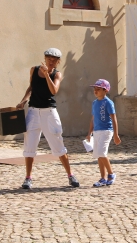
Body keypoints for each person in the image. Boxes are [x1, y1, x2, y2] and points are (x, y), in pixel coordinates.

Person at [16, 48, 80, 189]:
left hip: (49, 113)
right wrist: (23, 100)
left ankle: (70, 175)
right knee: (29, 146)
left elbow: (54, 91)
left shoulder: (57, 74)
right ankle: (28, 178)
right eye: (49, 59)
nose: (51, 62)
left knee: (58, 144)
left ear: (58, 62)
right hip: (33, 112)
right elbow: (31, 87)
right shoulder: (34, 70)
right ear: (44, 58)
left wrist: (46, 75)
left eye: (54, 60)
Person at [86, 79, 121, 187]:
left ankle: (111, 174)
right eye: (95, 89)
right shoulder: (94, 103)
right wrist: (89, 133)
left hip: (106, 131)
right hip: (96, 131)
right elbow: (93, 118)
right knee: (98, 155)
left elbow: (114, 118)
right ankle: (102, 178)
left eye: (98, 89)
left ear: (105, 90)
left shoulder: (108, 103)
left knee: (102, 152)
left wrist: (116, 134)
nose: (95, 91)